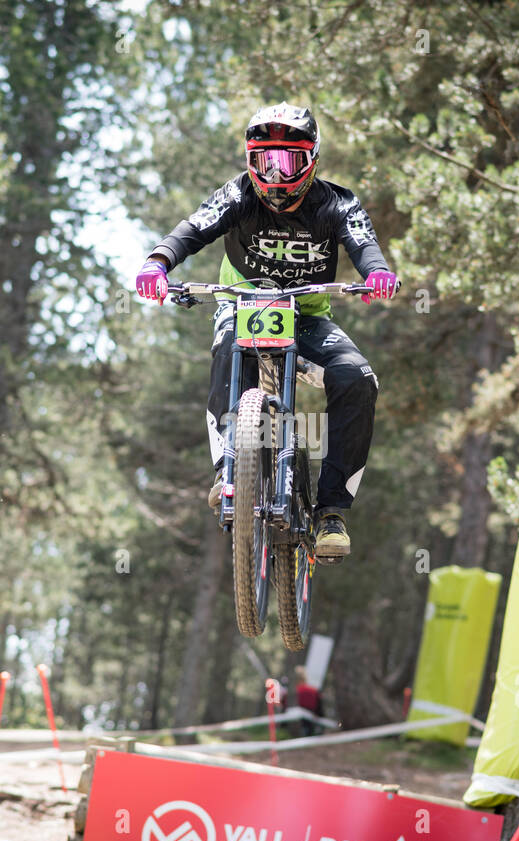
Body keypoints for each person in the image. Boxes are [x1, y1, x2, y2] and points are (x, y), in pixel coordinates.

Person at [134, 102, 398, 562]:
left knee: (357, 379)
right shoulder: (238, 196)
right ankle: (228, 471)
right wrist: (157, 263)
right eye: (264, 160)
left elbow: (363, 241)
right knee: (225, 350)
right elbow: (194, 228)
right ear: (249, 162)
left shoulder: (337, 203)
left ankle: (331, 512)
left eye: (288, 161)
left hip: (308, 317)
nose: (275, 174)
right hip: (240, 306)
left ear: (312, 159)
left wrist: (376, 272)